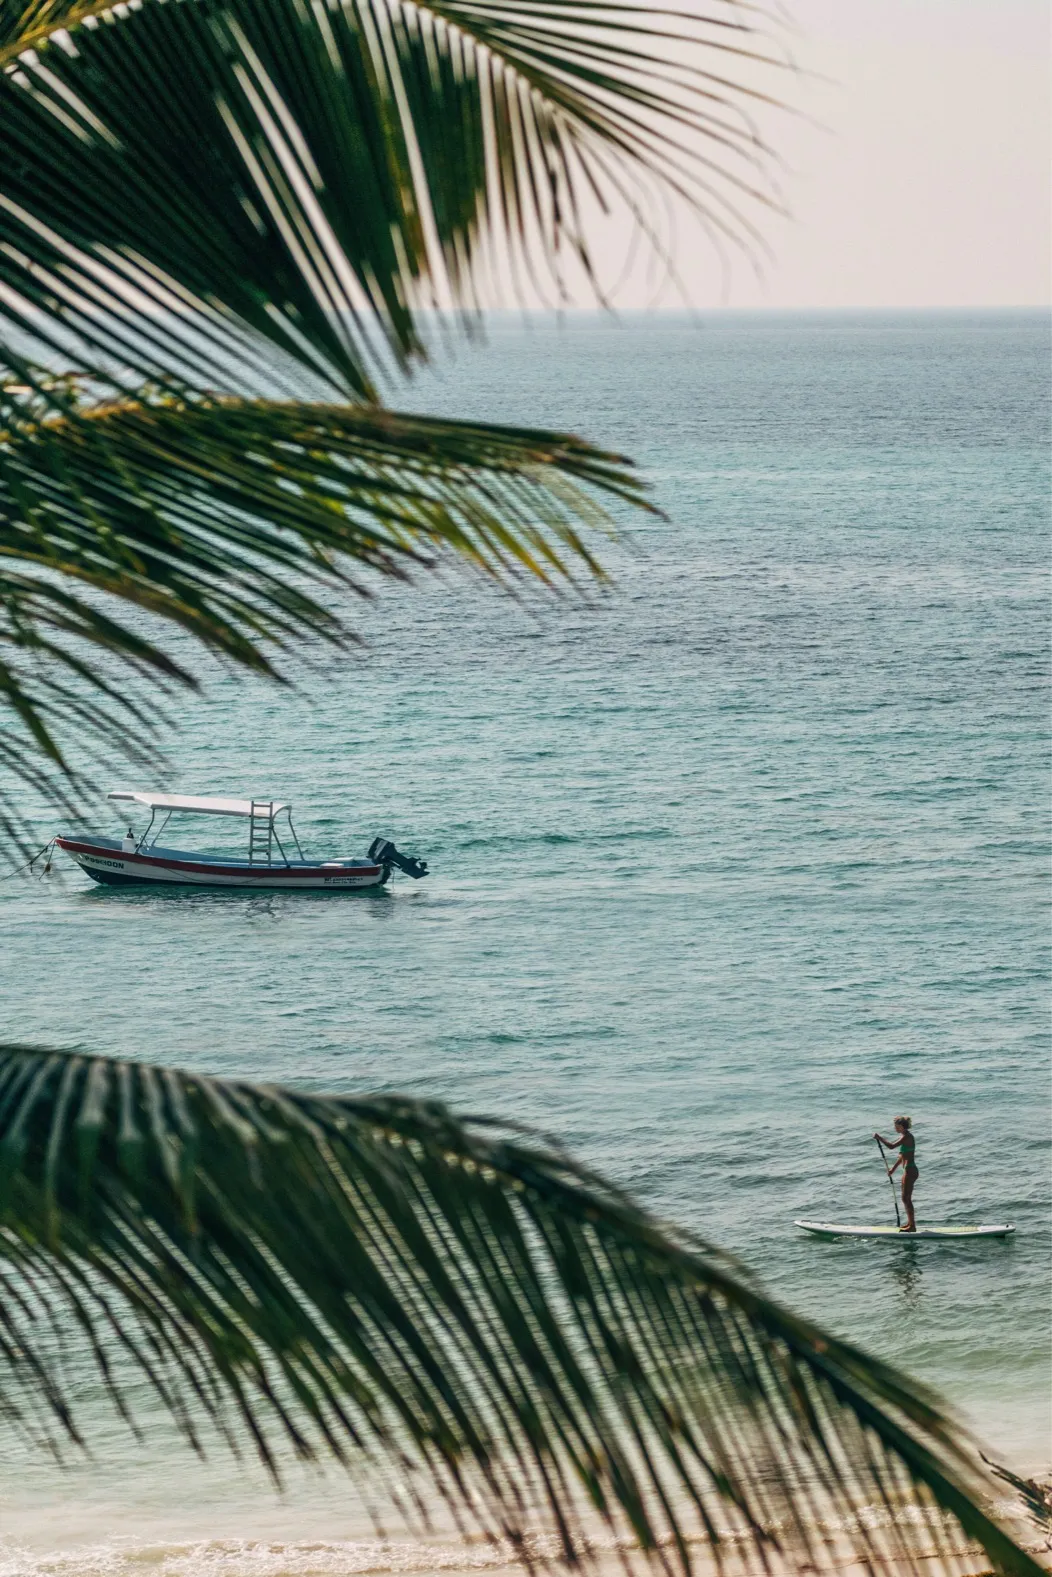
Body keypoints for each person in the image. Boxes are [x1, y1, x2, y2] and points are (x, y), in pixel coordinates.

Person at [874, 1116, 918, 1232]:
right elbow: (901, 1156)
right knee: (905, 1198)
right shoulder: (904, 1136)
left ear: (902, 1126)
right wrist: (893, 1169)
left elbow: (891, 1146)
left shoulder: (907, 1137)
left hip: (910, 1170)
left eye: (897, 1127)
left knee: (906, 1198)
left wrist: (879, 1138)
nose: (895, 1128)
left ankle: (912, 1226)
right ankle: (910, 1223)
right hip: (908, 1170)